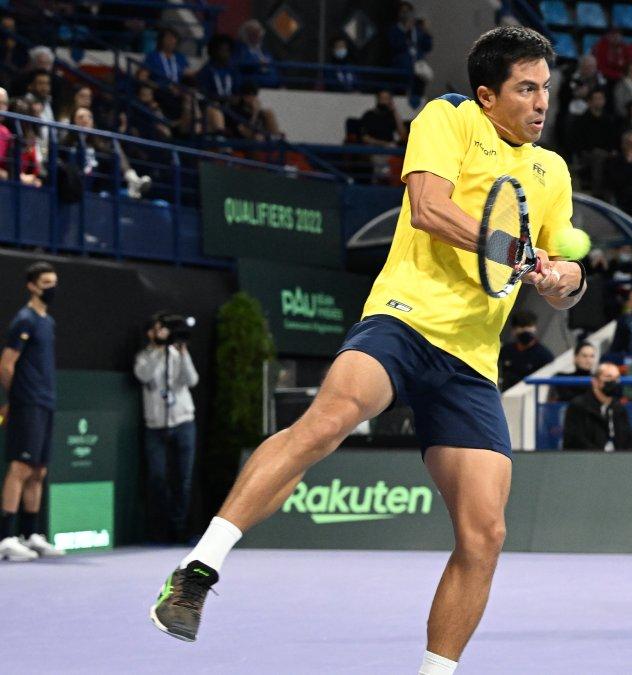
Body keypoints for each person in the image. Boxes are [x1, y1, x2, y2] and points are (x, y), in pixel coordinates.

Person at [149, 30, 587, 675]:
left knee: (486, 533)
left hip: (471, 360)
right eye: (526, 88)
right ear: (488, 95)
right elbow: (429, 208)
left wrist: (563, 280)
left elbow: (564, 274)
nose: (541, 101)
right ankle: (197, 569)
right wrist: (513, 251)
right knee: (328, 421)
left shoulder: (551, 171)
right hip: (403, 320)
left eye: (545, 88)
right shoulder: (450, 118)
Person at [0, 262, 64, 562]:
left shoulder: (47, 321)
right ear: (32, 286)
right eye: (46, 283)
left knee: (39, 470)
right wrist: (16, 398)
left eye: (54, 282)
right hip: (27, 403)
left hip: (45, 402)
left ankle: (30, 534)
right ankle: (5, 538)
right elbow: (6, 364)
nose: (52, 288)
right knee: (21, 468)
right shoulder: (24, 320)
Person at [134, 313, 200, 542]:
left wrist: (183, 353)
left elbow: (192, 380)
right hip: (155, 426)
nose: (163, 332)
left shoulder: (177, 354)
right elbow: (143, 375)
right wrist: (159, 350)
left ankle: (179, 529)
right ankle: (160, 530)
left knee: (183, 479)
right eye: (159, 329)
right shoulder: (144, 356)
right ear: (150, 332)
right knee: (157, 478)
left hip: (183, 422)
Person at [561, 363, 632, 451]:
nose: (614, 381)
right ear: (595, 382)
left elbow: (629, 441)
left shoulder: (619, 408)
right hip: (587, 457)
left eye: (617, 378)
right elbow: (574, 441)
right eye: (608, 377)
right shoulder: (578, 406)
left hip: (617, 458)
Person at [498, 310, 554, 391]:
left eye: (528, 328)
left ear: (535, 329)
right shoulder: (505, 351)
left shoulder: (544, 356)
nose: (526, 332)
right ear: (513, 331)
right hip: (506, 393)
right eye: (522, 328)